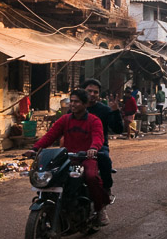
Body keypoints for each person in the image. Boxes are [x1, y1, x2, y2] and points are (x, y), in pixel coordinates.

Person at [26, 88, 110, 224]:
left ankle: (100, 209)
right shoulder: (65, 119)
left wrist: (93, 148)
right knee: (51, 176)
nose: (72, 104)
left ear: (85, 104)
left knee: (91, 177)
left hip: (86, 158)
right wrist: (35, 149)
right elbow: (50, 136)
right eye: (71, 101)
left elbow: (98, 137)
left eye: (76, 102)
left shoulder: (94, 121)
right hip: (67, 158)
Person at [81, 79, 123, 196]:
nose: (92, 94)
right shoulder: (76, 108)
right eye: (89, 91)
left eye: (96, 92)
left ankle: (106, 189)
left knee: (104, 159)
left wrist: (115, 112)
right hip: (78, 145)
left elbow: (118, 129)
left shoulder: (104, 110)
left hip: (99, 146)